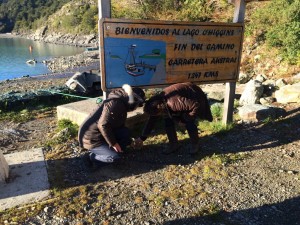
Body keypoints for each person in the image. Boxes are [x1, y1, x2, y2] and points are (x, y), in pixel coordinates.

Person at [78, 84, 145, 169]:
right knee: (113, 158)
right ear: (134, 100)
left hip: (99, 134)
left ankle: (115, 150)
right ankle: (92, 157)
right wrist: (113, 143)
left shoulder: (121, 102)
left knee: (125, 133)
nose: (137, 107)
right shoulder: (115, 104)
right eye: (138, 104)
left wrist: (129, 141)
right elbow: (103, 125)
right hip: (92, 139)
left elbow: (118, 125)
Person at [135, 82, 213, 155]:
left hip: (194, 97)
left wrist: (184, 119)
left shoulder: (173, 103)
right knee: (167, 120)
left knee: (189, 121)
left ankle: (195, 145)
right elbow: (151, 121)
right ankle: (174, 144)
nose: (158, 115)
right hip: (183, 101)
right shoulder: (156, 103)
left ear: (160, 109)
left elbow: (195, 105)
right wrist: (142, 138)